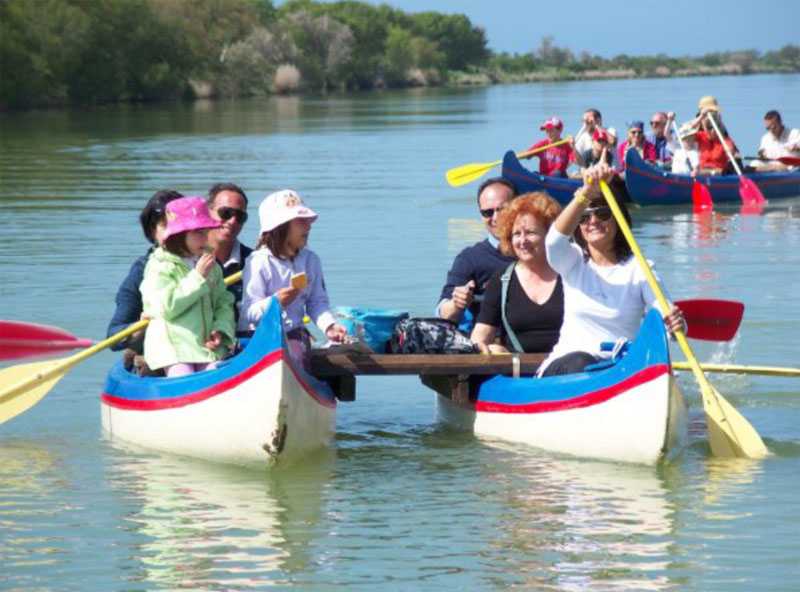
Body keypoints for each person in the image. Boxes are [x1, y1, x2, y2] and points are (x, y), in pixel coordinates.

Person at [540, 165, 685, 376]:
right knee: (582, 361)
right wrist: (586, 193)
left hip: (619, 368)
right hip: (568, 366)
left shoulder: (641, 268)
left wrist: (676, 325)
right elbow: (553, 241)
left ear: (618, 220)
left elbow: (666, 320)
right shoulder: (572, 260)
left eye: (603, 213)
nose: (593, 221)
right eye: (585, 217)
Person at [239, 189, 348, 360]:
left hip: (294, 335)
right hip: (258, 337)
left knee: (295, 349)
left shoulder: (310, 260)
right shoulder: (258, 261)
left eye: (307, 220)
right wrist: (276, 303)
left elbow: (316, 302)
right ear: (280, 226)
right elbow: (249, 313)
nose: (308, 225)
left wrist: (330, 326)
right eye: (300, 221)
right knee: (281, 352)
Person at [140, 197, 236, 377]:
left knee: (217, 375)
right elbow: (167, 307)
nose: (206, 237)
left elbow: (224, 302)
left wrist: (221, 330)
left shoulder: (210, 264)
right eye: (199, 232)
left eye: (206, 231)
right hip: (172, 349)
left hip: (206, 346)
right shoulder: (159, 265)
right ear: (179, 234)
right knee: (182, 377)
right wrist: (197, 277)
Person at [471, 193, 564, 354]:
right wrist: (487, 348)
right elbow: (480, 336)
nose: (522, 241)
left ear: (549, 235)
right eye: (516, 234)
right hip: (518, 372)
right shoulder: (502, 279)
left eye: (530, 233)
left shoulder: (570, 273)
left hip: (570, 367)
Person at [107, 189, 183, 354]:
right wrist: (138, 329)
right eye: (165, 226)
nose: (174, 233)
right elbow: (113, 336)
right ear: (152, 232)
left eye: (179, 225)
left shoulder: (206, 265)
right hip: (163, 356)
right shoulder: (142, 270)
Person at [437, 177, 517, 330]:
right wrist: (456, 303)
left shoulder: (539, 251)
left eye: (502, 209)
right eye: (487, 212)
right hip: (490, 345)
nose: (495, 218)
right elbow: (443, 313)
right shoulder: (470, 259)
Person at [206, 183, 253, 312]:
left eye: (240, 216)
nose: (233, 221)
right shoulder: (186, 259)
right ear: (207, 212)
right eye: (226, 213)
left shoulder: (255, 262)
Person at [693, 111, 740, 176]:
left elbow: (730, 149)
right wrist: (701, 117)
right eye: (708, 127)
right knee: (696, 171)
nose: (712, 130)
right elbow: (686, 130)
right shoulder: (701, 136)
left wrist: (730, 150)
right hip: (702, 172)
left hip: (718, 174)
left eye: (713, 127)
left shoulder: (724, 140)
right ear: (704, 128)